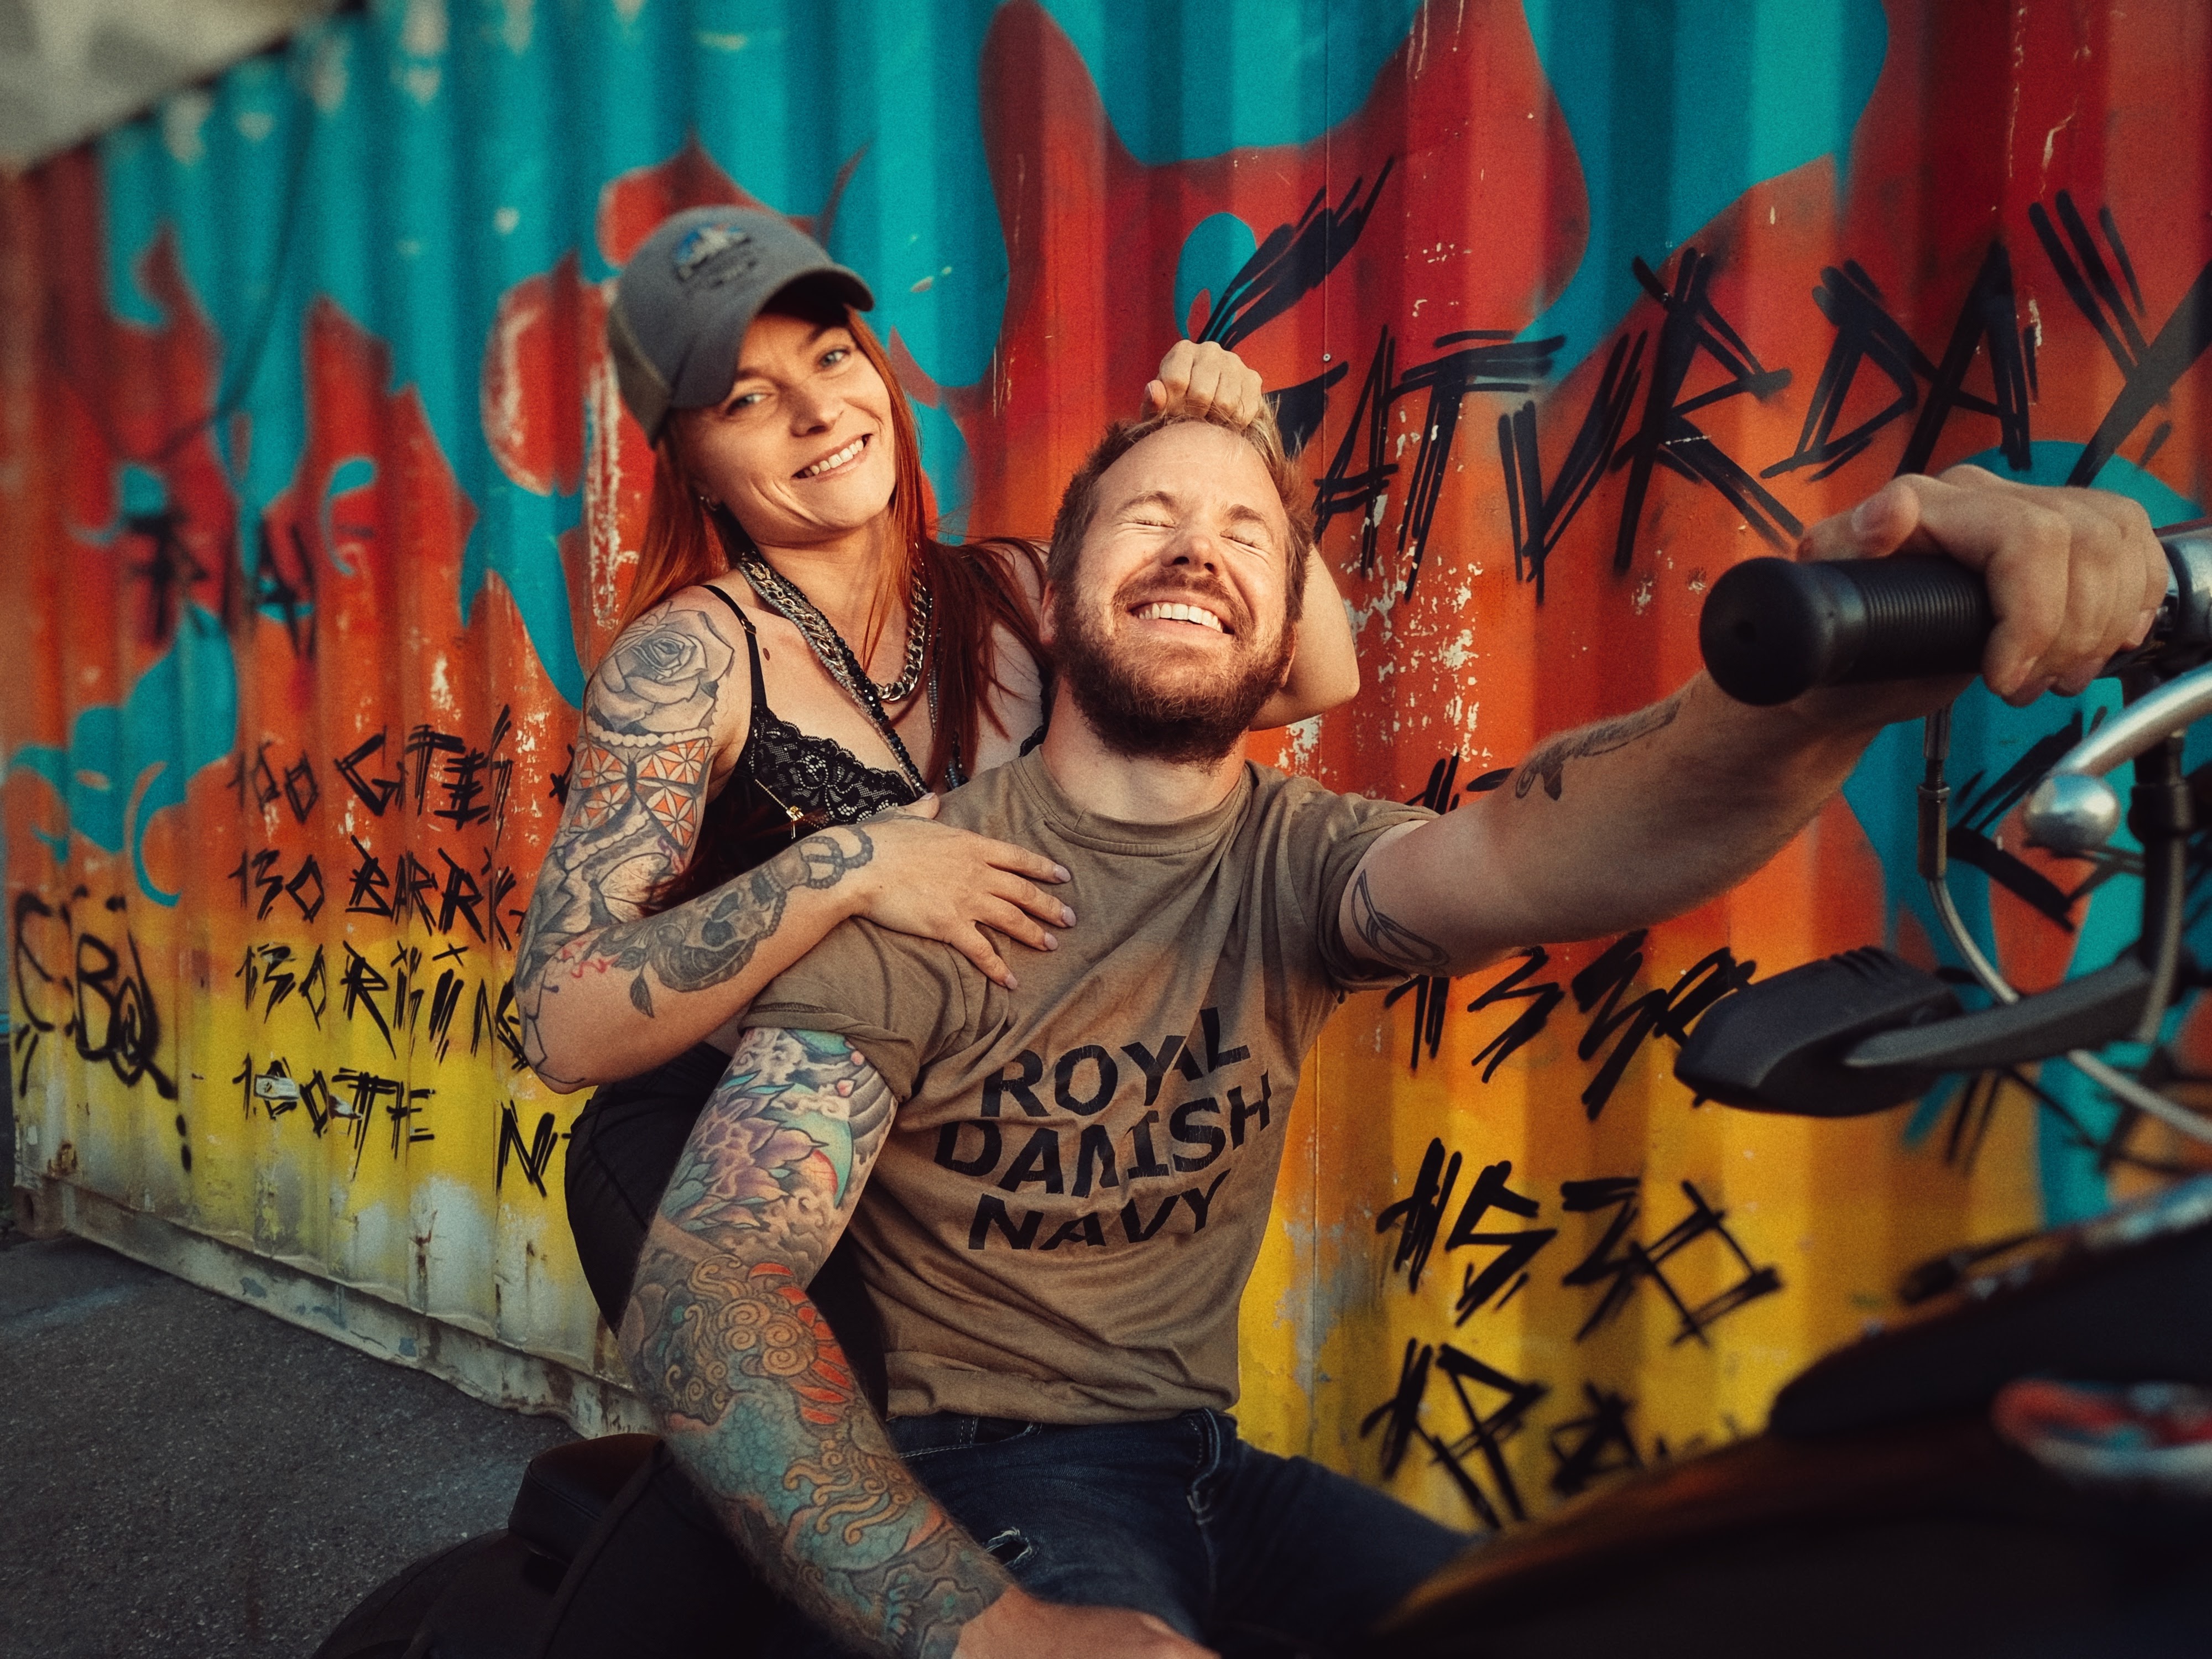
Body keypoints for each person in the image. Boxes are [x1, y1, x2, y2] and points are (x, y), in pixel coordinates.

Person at [607, 400, 2166, 1659]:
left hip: (1213, 1463)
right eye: (1149, 517)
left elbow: (1555, 843)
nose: (1198, 547)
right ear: (1059, 596)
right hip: (991, 1464)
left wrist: (1842, 676)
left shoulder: (1297, 864)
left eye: (1246, 532)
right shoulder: (931, 891)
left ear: (1284, 625)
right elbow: (712, 1283)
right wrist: (985, 1629)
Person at [514, 206, 1360, 1354]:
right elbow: (560, 1021)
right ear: (693, 466)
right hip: (715, 1133)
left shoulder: (1015, 591)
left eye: (832, 356)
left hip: (940, 1133)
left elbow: (1315, 674)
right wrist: (851, 866)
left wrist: (1241, 440)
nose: (819, 411)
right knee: (814, 1401)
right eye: (747, 399)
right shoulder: (689, 662)